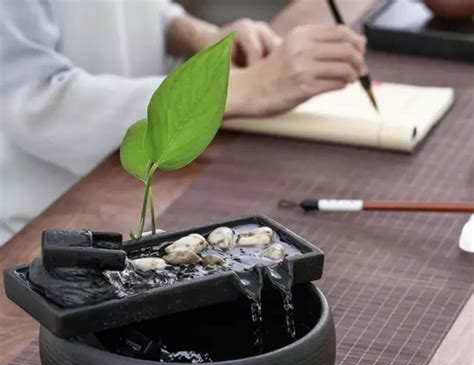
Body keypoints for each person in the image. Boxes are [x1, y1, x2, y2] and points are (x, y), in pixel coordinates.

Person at [0, 0, 367, 244]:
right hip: (45, 221)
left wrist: (200, 37)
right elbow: (31, 99)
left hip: (136, 186)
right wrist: (237, 88)